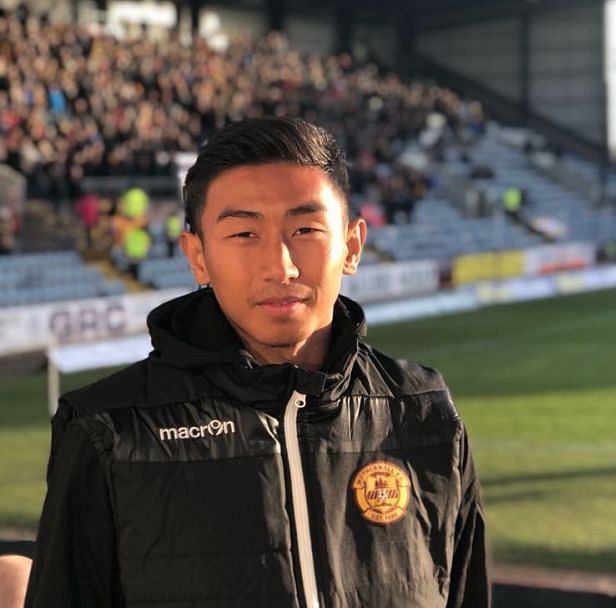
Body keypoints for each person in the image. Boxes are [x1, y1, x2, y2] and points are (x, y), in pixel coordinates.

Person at [25, 117, 488, 608]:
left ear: (352, 245)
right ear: (197, 256)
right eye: (245, 234)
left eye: (305, 229)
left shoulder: (425, 414)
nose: (280, 266)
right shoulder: (109, 432)